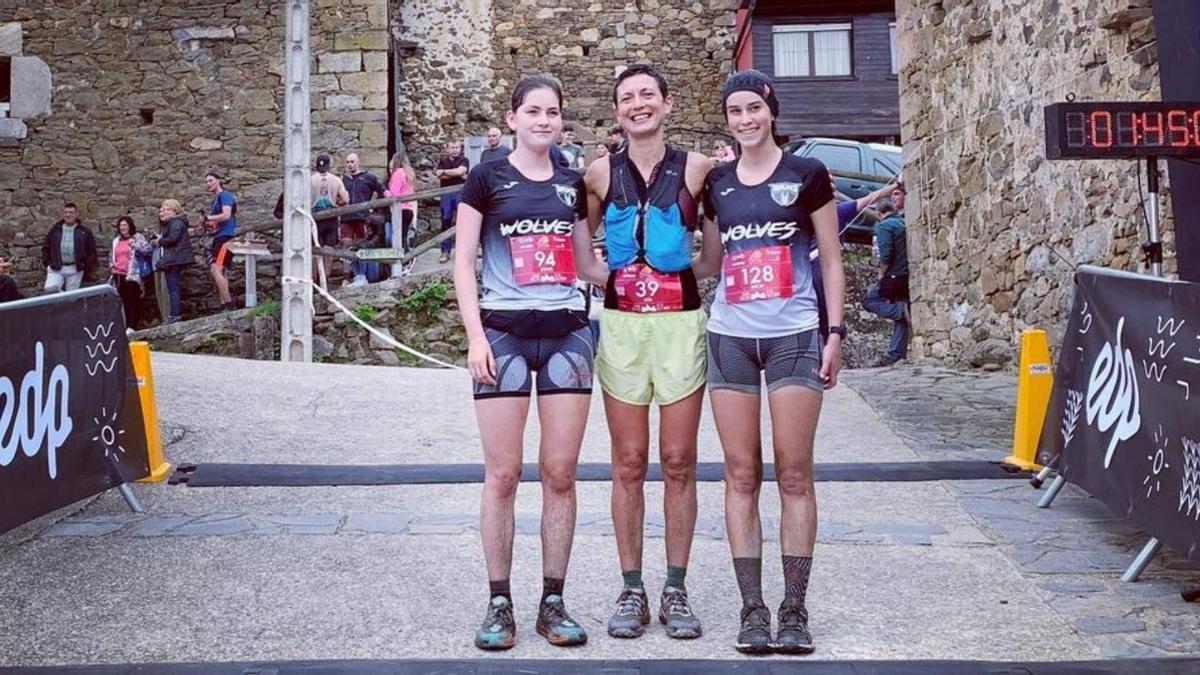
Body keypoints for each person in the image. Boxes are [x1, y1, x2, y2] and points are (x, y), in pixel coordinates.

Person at [453, 74, 603, 651]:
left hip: (567, 334)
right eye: (533, 111)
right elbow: (464, 262)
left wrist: (650, 277)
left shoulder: (573, 184)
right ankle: (498, 602)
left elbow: (588, 266)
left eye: (553, 112)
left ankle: (553, 600)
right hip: (504, 335)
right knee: (503, 475)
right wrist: (474, 337)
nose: (544, 120)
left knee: (561, 475)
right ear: (512, 117)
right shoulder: (486, 177)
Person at [696, 69, 844, 655]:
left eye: (754, 108)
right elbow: (710, 261)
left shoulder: (807, 173)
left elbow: (831, 259)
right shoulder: (718, 181)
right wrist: (640, 275)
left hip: (795, 333)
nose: (745, 120)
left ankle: (794, 608)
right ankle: (751, 609)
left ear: (772, 111)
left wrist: (835, 332)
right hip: (730, 334)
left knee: (793, 473)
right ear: (726, 120)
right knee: (739, 474)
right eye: (735, 111)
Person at [583, 63, 713, 640]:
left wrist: (686, 279)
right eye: (627, 98)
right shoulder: (597, 174)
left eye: (647, 95)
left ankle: (676, 588)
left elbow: (712, 251)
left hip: (680, 323)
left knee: (680, 461)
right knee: (629, 462)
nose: (638, 105)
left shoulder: (698, 169)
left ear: (666, 103)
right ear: (617, 111)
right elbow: (576, 244)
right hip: (623, 326)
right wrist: (602, 281)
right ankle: (632, 587)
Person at [862, 196, 909, 366]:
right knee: (902, 319)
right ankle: (895, 354)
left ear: (878, 212)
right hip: (905, 275)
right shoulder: (902, 222)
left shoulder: (884, 226)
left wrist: (881, 274)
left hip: (893, 276)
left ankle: (898, 310)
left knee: (869, 300)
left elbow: (886, 254)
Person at [342, 152, 387, 286]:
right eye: (348, 162)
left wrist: (375, 209)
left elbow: (382, 191)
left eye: (352, 162)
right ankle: (346, 277)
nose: (350, 165)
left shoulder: (368, 177)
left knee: (361, 245)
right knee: (346, 245)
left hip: (363, 217)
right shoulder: (343, 179)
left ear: (358, 162)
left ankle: (361, 275)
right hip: (346, 217)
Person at [202, 169, 238, 311]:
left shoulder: (225, 195)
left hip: (226, 237)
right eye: (206, 182)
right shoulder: (215, 200)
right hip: (219, 236)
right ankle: (224, 304)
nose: (208, 184)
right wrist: (207, 224)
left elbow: (226, 215)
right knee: (221, 271)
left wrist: (208, 218)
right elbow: (218, 221)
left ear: (219, 180)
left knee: (216, 270)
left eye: (211, 180)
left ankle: (229, 303)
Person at [310, 153, 350, 283]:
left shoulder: (310, 180)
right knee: (329, 249)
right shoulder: (336, 180)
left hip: (314, 217)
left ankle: (313, 278)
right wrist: (337, 202)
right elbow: (345, 199)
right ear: (328, 165)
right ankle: (325, 278)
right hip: (331, 216)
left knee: (315, 249)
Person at [153, 199, 193, 324]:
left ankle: (175, 315)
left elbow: (173, 238)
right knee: (172, 287)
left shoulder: (175, 223)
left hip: (174, 259)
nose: (162, 213)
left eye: (165, 210)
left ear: (174, 211)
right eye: (161, 211)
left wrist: (159, 241)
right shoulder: (175, 223)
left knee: (173, 288)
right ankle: (173, 314)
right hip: (175, 258)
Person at [42, 202, 98, 293]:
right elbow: (46, 247)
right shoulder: (55, 230)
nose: (68, 215)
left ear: (76, 214)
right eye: (66, 212)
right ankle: (59, 305)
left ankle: (67, 307)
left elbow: (92, 252)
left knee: (71, 297)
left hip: (75, 268)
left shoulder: (84, 232)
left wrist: (84, 265)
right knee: (50, 290)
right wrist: (48, 263)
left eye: (71, 212)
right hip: (56, 268)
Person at [109, 215, 152, 329]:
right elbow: (112, 255)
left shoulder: (138, 237)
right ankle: (123, 326)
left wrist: (134, 245)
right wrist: (111, 266)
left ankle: (132, 326)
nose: (122, 227)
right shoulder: (116, 240)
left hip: (133, 275)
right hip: (118, 275)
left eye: (125, 225)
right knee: (122, 301)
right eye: (120, 225)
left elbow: (148, 250)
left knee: (133, 301)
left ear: (130, 226)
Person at [436, 139, 470, 263]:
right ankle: (445, 251)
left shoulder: (464, 160)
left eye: (457, 147)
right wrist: (456, 174)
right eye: (452, 147)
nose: (455, 150)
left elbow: (461, 171)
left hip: (460, 193)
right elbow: (438, 175)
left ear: (460, 148)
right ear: (447, 148)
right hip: (445, 194)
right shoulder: (443, 161)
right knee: (446, 221)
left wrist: (445, 172)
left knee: (462, 221)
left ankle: (464, 252)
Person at [385, 149, 418, 276]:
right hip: (409, 209)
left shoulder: (398, 173)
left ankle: (404, 262)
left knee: (399, 238)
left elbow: (394, 194)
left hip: (400, 210)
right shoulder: (409, 174)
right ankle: (406, 262)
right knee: (403, 236)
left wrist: (385, 192)